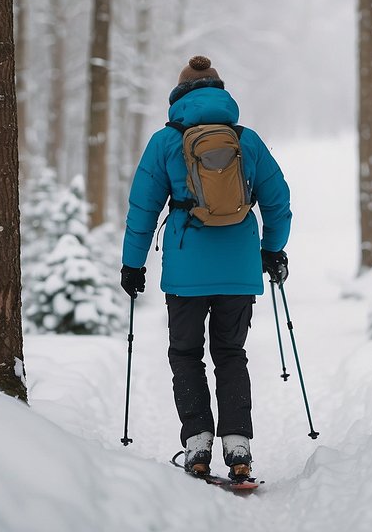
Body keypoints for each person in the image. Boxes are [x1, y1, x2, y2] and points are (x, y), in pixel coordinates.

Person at [120, 55, 291, 481]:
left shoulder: (165, 142)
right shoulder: (246, 140)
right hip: (239, 269)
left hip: (185, 272)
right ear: (220, 91)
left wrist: (132, 264)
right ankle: (238, 445)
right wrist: (272, 250)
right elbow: (278, 202)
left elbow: (142, 209)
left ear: (178, 95)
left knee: (185, 354)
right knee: (231, 354)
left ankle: (197, 441)